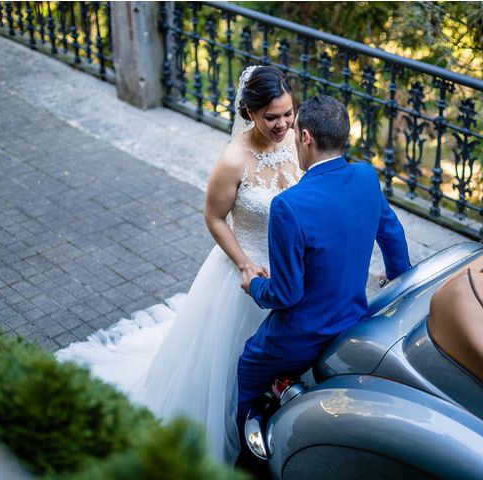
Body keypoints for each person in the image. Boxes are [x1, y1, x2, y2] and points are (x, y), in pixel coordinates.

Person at [56, 65, 300, 463]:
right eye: (271, 117)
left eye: (287, 113)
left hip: (289, 270)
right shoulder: (234, 159)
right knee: (229, 364)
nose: (282, 124)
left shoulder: (295, 138)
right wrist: (244, 264)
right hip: (246, 274)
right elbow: (215, 218)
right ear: (249, 114)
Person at [237, 95, 410, 466]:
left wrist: (253, 285)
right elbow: (393, 235)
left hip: (301, 337)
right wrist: (395, 279)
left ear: (305, 137)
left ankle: (250, 457)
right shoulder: (366, 176)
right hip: (352, 320)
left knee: (249, 364)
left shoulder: (289, 205)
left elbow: (285, 293)